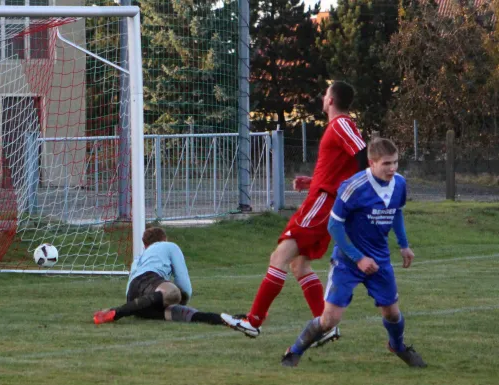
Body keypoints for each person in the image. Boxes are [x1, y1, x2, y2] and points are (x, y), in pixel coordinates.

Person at [221, 81, 367, 344]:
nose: (323, 98)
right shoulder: (337, 127)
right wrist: (313, 181)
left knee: (279, 256)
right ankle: (325, 325)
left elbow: (363, 154)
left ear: (331, 100)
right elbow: (341, 168)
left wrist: (355, 192)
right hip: (323, 199)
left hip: (322, 204)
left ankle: (253, 321)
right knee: (299, 264)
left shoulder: (342, 123)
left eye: (326, 94)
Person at [280, 138, 427, 368]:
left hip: (379, 260)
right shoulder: (353, 186)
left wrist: (404, 244)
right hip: (348, 261)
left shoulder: (399, 184)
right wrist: (358, 258)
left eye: (396, 162)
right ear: (371, 162)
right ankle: (294, 352)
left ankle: (398, 346)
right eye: (387, 163)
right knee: (330, 320)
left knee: (392, 314)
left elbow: (396, 212)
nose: (393, 168)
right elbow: (334, 226)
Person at [93, 227, 225, 326]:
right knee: (174, 293)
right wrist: (180, 299)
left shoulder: (138, 259)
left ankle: (231, 319)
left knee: (184, 315)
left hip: (135, 302)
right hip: (148, 281)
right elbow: (183, 281)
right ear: (165, 239)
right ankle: (117, 312)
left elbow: (129, 290)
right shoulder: (169, 246)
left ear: (145, 245)